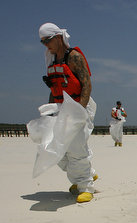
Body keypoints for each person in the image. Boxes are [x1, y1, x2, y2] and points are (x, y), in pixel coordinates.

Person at [39, 22, 97, 203]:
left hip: (79, 106)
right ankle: (86, 174)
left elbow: (87, 85)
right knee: (55, 148)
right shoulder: (52, 60)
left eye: (47, 40)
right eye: (42, 42)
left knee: (76, 148)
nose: (45, 45)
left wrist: (79, 111)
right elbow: (54, 89)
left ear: (57, 37)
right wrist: (50, 113)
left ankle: (85, 186)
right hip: (60, 108)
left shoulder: (74, 57)